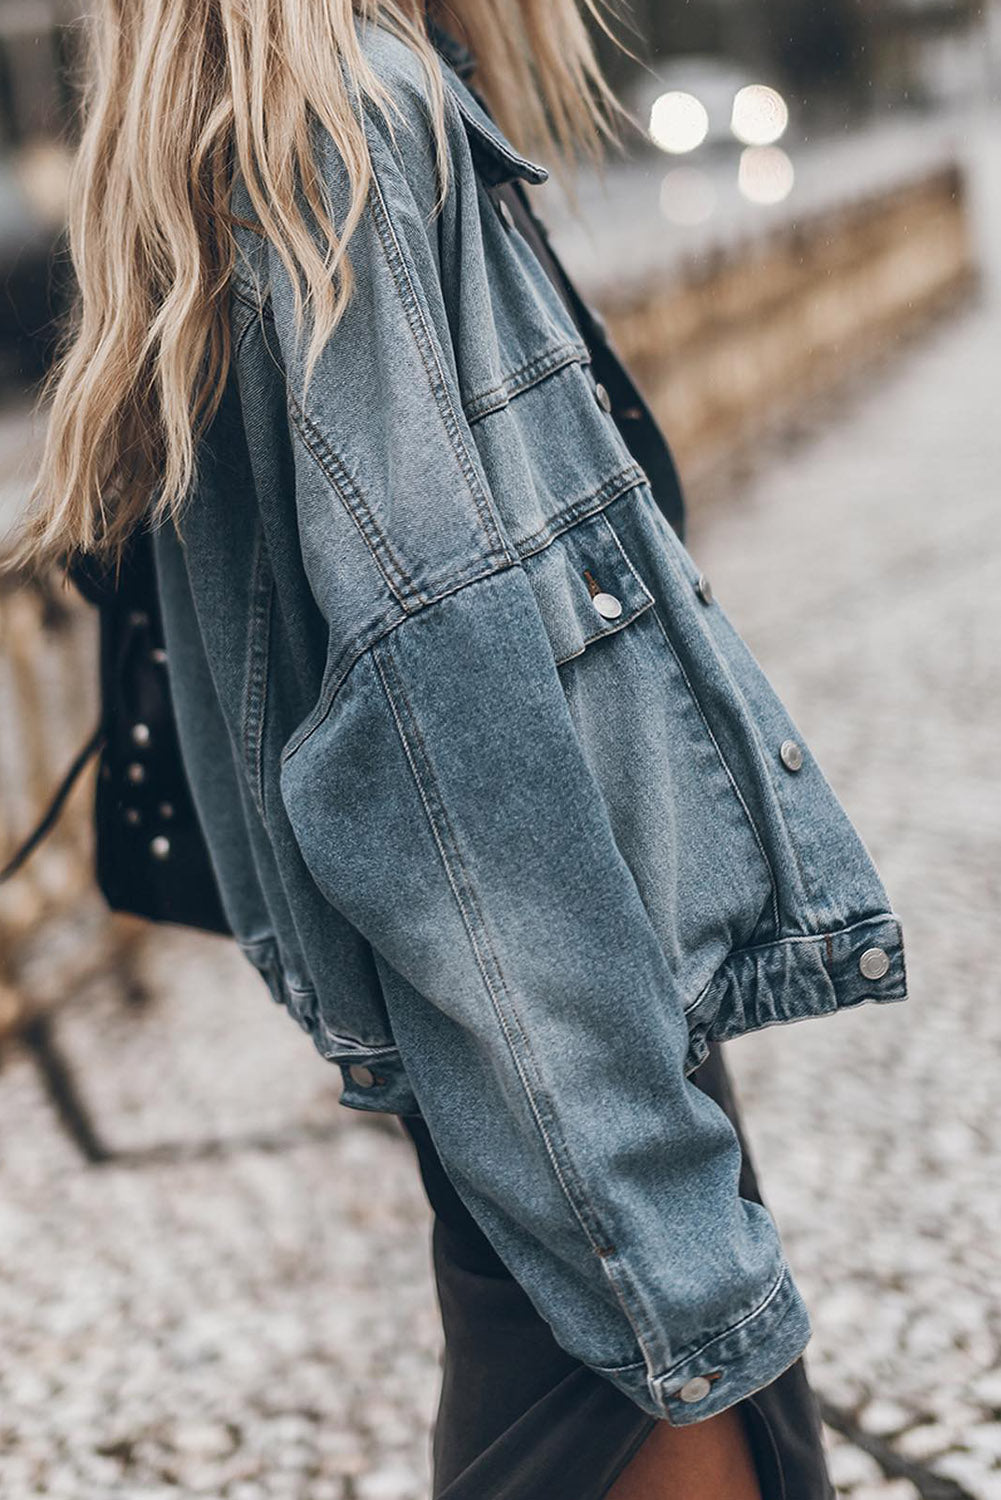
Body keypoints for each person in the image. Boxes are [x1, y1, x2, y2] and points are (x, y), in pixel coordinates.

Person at [8, 2, 907, 1496]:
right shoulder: (347, 125)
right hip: (556, 1020)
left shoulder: (270, 128)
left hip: (544, 1014)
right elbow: (425, 694)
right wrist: (639, 1199)